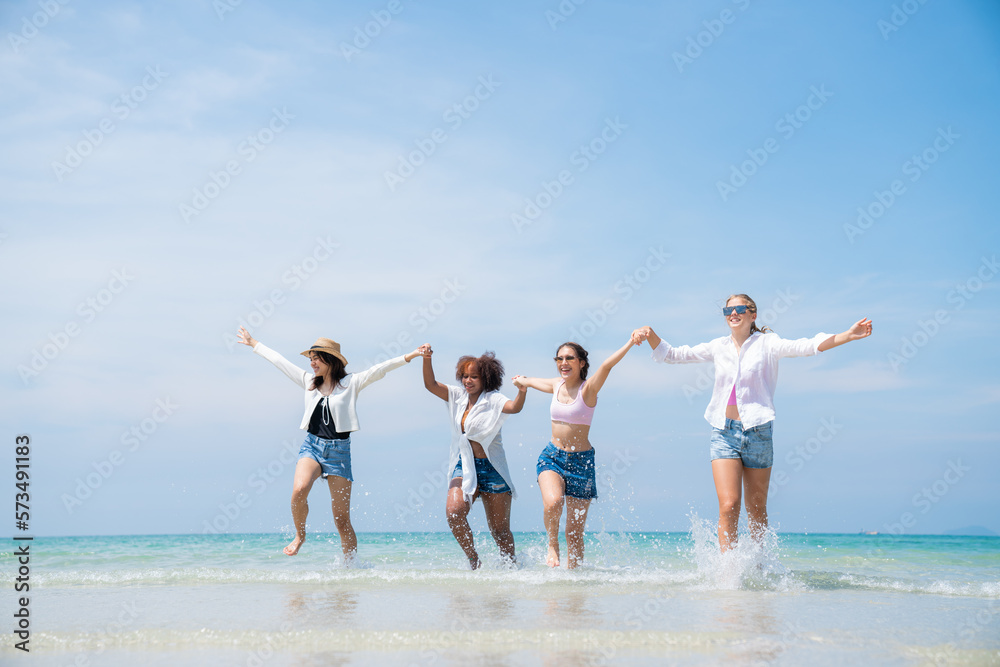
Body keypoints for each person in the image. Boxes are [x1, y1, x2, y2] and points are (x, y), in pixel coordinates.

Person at [632, 294, 873, 551]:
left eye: (739, 309)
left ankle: (758, 569)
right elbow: (672, 354)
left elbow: (807, 346)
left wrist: (847, 335)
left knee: (757, 509)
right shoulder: (718, 346)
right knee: (729, 505)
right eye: (728, 310)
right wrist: (650, 333)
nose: (733, 313)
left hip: (759, 432)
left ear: (752, 315)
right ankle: (729, 574)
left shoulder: (768, 344)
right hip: (723, 432)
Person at [238, 327, 421, 560]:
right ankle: (299, 535)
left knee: (342, 520)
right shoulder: (308, 382)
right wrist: (254, 343)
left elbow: (379, 370)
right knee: (299, 490)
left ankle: (350, 568)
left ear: (331, 360)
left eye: (317, 359)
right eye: (311, 359)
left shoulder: (351, 383)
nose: (312, 363)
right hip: (312, 447)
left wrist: (412, 355)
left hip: (339, 453)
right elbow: (280, 362)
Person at [512, 339, 639, 569]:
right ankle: (552, 544)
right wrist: (521, 381)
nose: (564, 363)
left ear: (581, 363)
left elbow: (607, 366)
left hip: (582, 463)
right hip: (552, 457)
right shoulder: (556, 385)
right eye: (559, 358)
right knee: (553, 503)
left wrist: (630, 342)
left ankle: (574, 590)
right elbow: (531, 381)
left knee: (574, 532)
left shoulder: (588, 389)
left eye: (569, 358)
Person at [419, 344, 526, 569]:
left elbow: (514, 407)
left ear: (486, 378)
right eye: (465, 376)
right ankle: (473, 560)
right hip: (465, 465)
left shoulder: (493, 399)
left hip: (492, 468)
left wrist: (522, 391)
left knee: (499, 530)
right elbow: (430, 384)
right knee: (454, 513)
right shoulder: (458, 396)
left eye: (474, 377)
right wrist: (426, 358)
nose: (468, 381)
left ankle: (511, 569)